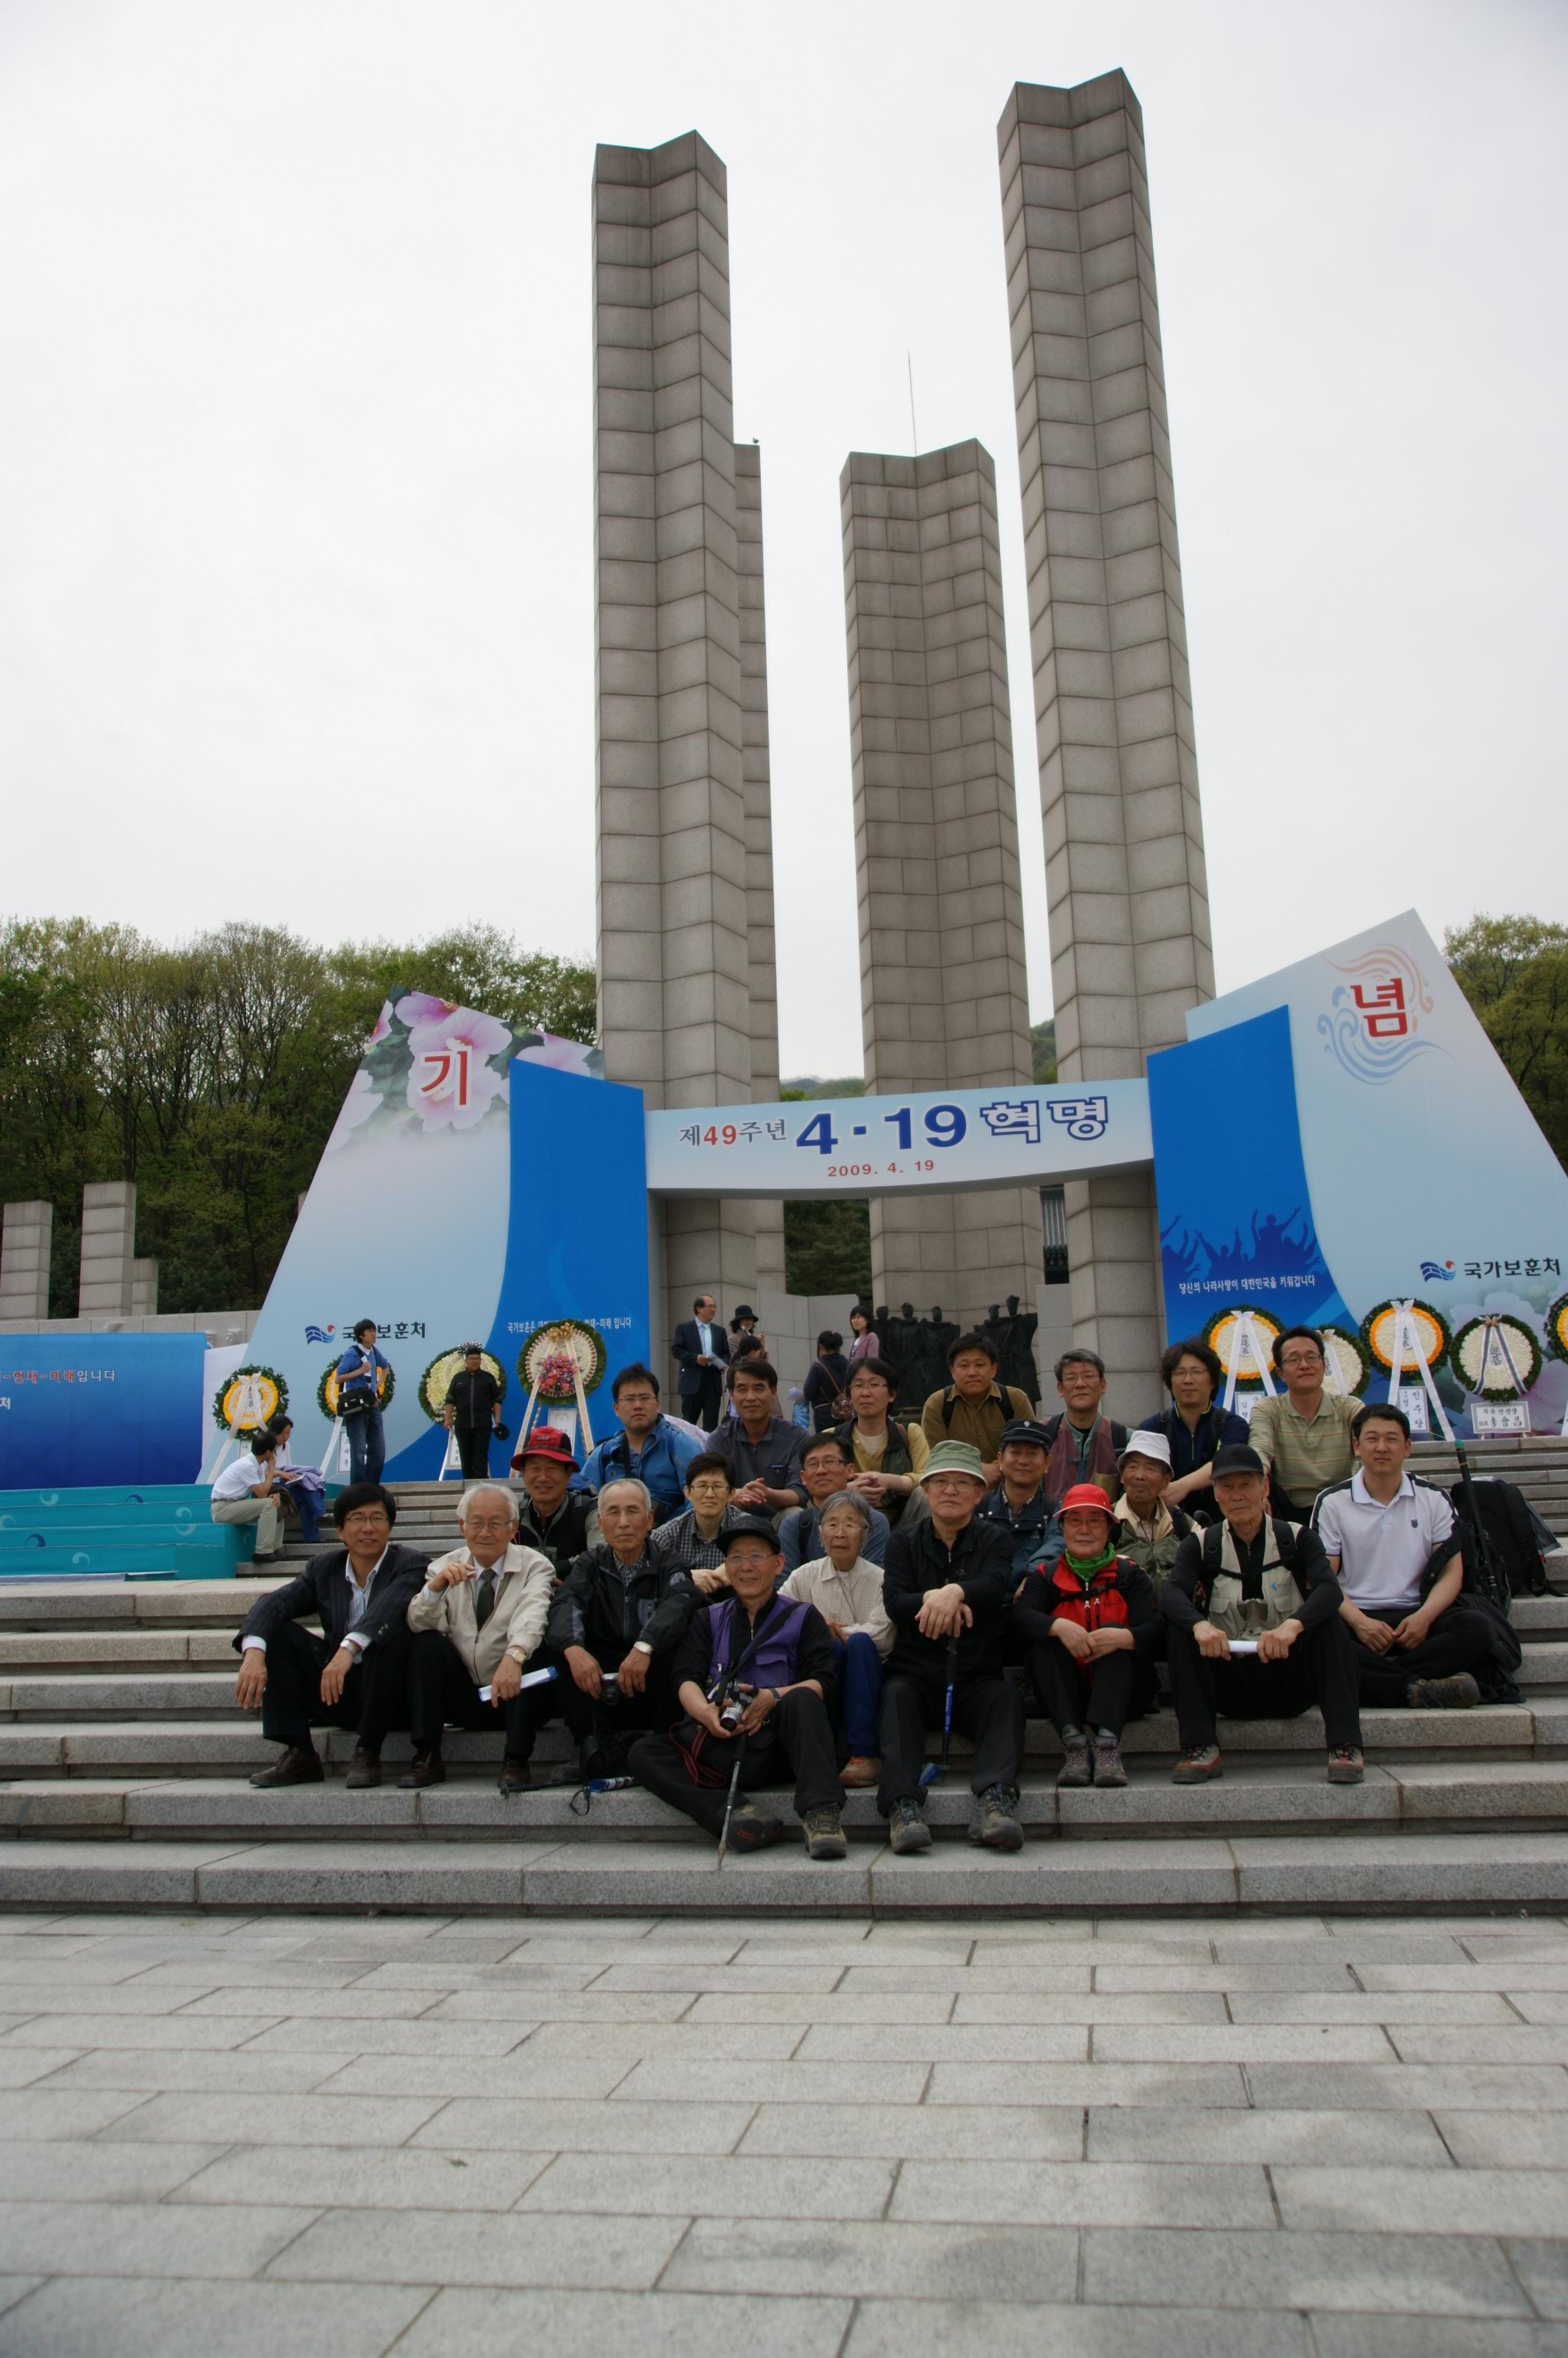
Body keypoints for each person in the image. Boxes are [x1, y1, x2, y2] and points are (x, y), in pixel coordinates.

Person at [627, 1516, 848, 1860]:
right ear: (726, 1566)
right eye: (736, 1557)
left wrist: (772, 1698)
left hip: (780, 1747)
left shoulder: (804, 1617)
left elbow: (823, 1681)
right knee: (643, 1753)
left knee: (804, 1698)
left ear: (778, 1564)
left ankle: (822, 1816)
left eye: (756, 1556)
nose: (746, 1567)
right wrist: (705, 1712)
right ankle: (735, 1815)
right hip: (722, 1743)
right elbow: (685, 1677)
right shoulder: (707, 1618)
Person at [1160, 1441, 1364, 1786]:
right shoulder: (1200, 1545)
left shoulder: (1298, 1538)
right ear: (1216, 1494)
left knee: (1329, 1622)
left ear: (1265, 1487)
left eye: (1246, 1484)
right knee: (1181, 1631)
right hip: (1230, 1681)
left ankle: (1345, 1745)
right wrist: (1200, 1627)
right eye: (1227, 1486)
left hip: (1289, 1678)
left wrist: (1292, 1627)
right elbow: (1172, 1593)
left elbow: (1329, 1590)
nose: (1237, 1495)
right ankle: (1199, 1747)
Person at [877, 1440, 1026, 1854]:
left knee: (1006, 1699)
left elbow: (995, 1586)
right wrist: (935, 1599)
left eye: (962, 1483)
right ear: (925, 1491)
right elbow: (895, 1602)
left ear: (979, 1494)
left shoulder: (996, 1539)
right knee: (895, 1697)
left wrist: (956, 1591)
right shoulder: (902, 1542)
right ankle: (903, 1806)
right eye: (940, 1482)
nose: (950, 1490)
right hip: (916, 1674)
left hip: (975, 1675)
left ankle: (996, 1800)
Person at [232, 1482, 428, 1788]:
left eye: (377, 1518)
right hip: (337, 1692)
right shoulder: (324, 1568)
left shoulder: (410, 1564)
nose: (368, 1528)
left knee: (388, 1637)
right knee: (277, 1631)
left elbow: (386, 1611)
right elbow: (272, 1603)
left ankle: (368, 1750)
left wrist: (348, 1649)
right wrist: (254, 1652)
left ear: (389, 1527)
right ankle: (301, 1754)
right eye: (357, 1519)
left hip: (392, 1697)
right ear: (340, 1531)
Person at [508, 1478, 698, 1778]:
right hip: (601, 1682)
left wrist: (645, 1646)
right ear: (600, 1522)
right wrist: (574, 1649)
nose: (623, 1522)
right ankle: (590, 1746)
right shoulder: (589, 1563)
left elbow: (680, 1603)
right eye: (613, 1512)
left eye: (632, 1511)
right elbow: (566, 1602)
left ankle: (665, 1744)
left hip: (651, 1680)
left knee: (681, 1640)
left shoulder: (670, 1563)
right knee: (557, 1648)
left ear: (649, 1519)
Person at [1313, 1402, 1492, 1710]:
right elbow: (1323, 1577)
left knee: (1477, 1629)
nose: (1381, 1447)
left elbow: (1452, 1572)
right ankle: (1414, 1689)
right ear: (1357, 1446)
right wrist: (1359, 1622)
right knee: (1316, 1637)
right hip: (1357, 1615)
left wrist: (1425, 1617)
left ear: (1407, 1447)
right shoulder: (1333, 1502)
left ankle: (1376, 1679)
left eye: (1392, 1439)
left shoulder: (1433, 1498)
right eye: (1372, 1439)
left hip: (1416, 1613)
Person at [402, 1482, 556, 1793]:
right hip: (465, 1695)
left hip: (516, 1694)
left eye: (496, 1523)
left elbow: (533, 1613)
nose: (485, 1532)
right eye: (476, 1523)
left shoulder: (535, 1565)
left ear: (513, 1528)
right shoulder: (442, 1567)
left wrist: (514, 1656)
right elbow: (419, 1623)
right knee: (425, 1644)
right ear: (463, 1526)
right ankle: (427, 1755)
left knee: (532, 1647)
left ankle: (516, 1759)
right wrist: (435, 1590)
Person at [1013, 1483, 1158, 1788]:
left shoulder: (1130, 1575)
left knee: (1117, 1635)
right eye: (1075, 1520)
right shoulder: (1045, 1576)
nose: (1084, 1529)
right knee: (1046, 1640)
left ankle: (1108, 1745)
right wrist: (1058, 1626)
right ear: (1062, 1528)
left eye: (1094, 1521)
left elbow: (1156, 1628)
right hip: (1067, 1694)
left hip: (1126, 1694)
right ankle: (1074, 1744)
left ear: (1108, 1528)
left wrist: (1124, 1638)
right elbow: (1022, 1617)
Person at [780, 1488, 893, 1790]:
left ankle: (864, 1754)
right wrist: (819, 1629)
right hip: (821, 1675)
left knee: (858, 1644)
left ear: (865, 1534)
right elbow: (779, 1620)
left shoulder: (881, 1580)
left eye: (850, 1524)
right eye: (831, 1524)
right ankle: (823, 1752)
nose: (840, 1533)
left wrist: (834, 1632)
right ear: (821, 1533)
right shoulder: (803, 1576)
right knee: (832, 1649)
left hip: (867, 1678)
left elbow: (883, 1635)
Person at [1246, 1326, 1360, 1520]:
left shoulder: (1348, 1408)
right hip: (1285, 1510)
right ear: (1281, 1373)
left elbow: (1370, 1441)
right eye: (1294, 1359)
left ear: (1323, 1365)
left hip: (1339, 1508)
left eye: (1311, 1357)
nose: (1304, 1365)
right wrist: (1258, 1490)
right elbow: (1259, 1450)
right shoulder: (1268, 1409)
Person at [572, 1364, 701, 1526]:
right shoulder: (604, 1454)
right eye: (629, 1399)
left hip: (674, 1538)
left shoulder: (680, 1445)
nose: (638, 1405)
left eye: (645, 1398)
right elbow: (586, 1505)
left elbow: (700, 1500)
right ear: (616, 1408)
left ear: (657, 1404)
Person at [1136, 1340, 1249, 1524]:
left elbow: (1229, 1462)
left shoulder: (1233, 1425)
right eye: (1179, 1373)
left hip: (1224, 1524)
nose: (1187, 1380)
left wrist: (1183, 1486)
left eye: (1196, 1372)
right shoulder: (1151, 1428)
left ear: (1213, 1381)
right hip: (1167, 1525)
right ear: (1170, 1382)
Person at [920, 1332, 1036, 1481]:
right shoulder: (937, 1404)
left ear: (993, 1369)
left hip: (1008, 1482)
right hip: (957, 1484)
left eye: (980, 1365)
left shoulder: (1015, 1399)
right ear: (952, 1371)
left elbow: (1028, 1447)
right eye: (964, 1366)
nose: (972, 1373)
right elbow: (937, 1456)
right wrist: (977, 1469)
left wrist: (998, 1468)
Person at [835, 1358, 930, 1526]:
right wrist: (847, 1490)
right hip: (849, 1522)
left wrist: (890, 1481)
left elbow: (927, 1476)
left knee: (924, 1494)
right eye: (858, 1385)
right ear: (849, 1396)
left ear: (891, 1394)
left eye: (874, 1384)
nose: (865, 1393)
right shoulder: (832, 1437)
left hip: (902, 1523)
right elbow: (816, 1486)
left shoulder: (909, 1433)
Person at [779, 1434, 891, 1571]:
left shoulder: (873, 1521)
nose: (821, 1470)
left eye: (830, 1461)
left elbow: (873, 1578)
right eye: (813, 1464)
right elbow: (785, 1581)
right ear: (803, 1477)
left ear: (849, 1470)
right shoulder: (794, 1525)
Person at [709, 1359, 808, 1512]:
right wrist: (738, 1495)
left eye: (759, 1388)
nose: (751, 1397)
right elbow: (711, 1488)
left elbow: (799, 1492)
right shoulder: (720, 1439)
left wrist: (765, 1494)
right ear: (732, 1395)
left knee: (795, 1513)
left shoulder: (796, 1438)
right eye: (742, 1389)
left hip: (779, 1519)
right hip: (733, 1519)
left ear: (773, 1393)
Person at [975, 1418, 1060, 1588]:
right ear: (1000, 1460)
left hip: (1034, 1595)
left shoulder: (1055, 1511)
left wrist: (1034, 1576)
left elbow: (1057, 1545)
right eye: (1015, 1452)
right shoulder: (978, 1506)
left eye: (1032, 1454)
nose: (1023, 1461)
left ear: (1047, 1463)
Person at [1039, 1349, 1128, 1502]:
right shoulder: (1042, 1435)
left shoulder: (1123, 1439)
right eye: (1071, 1378)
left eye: (1088, 1376)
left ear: (1102, 1385)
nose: (1080, 1384)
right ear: (1060, 1388)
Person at [650, 1453, 747, 1591]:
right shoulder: (667, 1534)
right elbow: (647, 1575)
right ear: (688, 1492)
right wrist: (687, 1576)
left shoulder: (746, 1528)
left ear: (731, 1493)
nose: (709, 1494)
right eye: (701, 1486)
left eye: (718, 1486)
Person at [1112, 1429, 1193, 1591]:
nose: (1139, 1476)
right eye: (1132, 1467)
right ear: (1122, 1476)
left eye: (1150, 1469)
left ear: (1165, 1481)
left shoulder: (1183, 1524)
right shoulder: (1107, 1522)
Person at [509, 1426, 593, 1568]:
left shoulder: (588, 1511)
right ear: (523, 1472)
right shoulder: (512, 1517)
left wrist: (560, 1571)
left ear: (569, 1473)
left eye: (552, 1468)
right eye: (535, 1469)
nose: (543, 1478)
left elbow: (601, 1555)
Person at [210, 1431, 286, 1562]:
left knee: (276, 1502)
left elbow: (263, 1491)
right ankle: (262, 1552)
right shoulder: (247, 1465)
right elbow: (262, 1494)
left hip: (233, 1505)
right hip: (222, 1508)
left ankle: (274, 1549)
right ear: (268, 1453)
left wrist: (274, 1495)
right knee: (268, 1504)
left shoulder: (258, 1466)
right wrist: (272, 1470)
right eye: (273, 1451)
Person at [334, 1319, 393, 1485]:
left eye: (374, 1330)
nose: (374, 1334)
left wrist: (376, 1385)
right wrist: (360, 1370)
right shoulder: (352, 1354)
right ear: (361, 1335)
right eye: (370, 1331)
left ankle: (371, 1486)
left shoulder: (374, 1350)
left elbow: (386, 1367)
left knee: (378, 1450)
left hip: (372, 1404)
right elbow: (339, 1378)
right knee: (359, 1451)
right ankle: (359, 1488)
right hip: (357, 1406)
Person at [442, 1344, 504, 1481]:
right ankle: (469, 1483)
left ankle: (481, 1481)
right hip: (462, 1424)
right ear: (466, 1361)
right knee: (466, 1455)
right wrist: (447, 1419)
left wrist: (497, 1418)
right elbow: (450, 1400)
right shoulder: (458, 1379)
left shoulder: (488, 1378)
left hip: (483, 1424)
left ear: (480, 1361)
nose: (474, 1361)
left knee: (481, 1454)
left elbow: (497, 1399)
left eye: (477, 1359)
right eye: (471, 1359)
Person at [670, 1294, 730, 1433]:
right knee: (688, 1424)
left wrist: (723, 1364)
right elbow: (676, 1350)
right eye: (710, 1306)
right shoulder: (684, 1328)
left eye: (714, 1306)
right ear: (699, 1308)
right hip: (692, 1381)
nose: (713, 1309)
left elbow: (726, 1353)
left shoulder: (720, 1331)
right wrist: (695, 1358)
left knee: (711, 1426)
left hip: (713, 1381)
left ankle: (709, 1447)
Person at [263, 1416, 324, 1546]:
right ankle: (318, 1515)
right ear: (273, 1432)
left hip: (286, 1482)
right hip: (272, 1485)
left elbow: (289, 1466)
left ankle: (312, 1536)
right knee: (304, 1497)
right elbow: (261, 1474)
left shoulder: (286, 1446)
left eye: (288, 1433)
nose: (285, 1437)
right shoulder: (265, 1447)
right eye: (282, 1433)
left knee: (308, 1482)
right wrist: (281, 1473)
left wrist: (295, 1475)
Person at [803, 1330, 849, 1432]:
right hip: (846, 1414)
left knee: (824, 1441)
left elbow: (808, 1394)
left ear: (821, 1347)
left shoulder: (818, 1366)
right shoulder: (848, 1365)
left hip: (824, 1415)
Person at [846, 1303, 879, 1370]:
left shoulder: (871, 1336)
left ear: (867, 1320)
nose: (855, 1321)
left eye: (858, 1317)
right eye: (853, 1318)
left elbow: (872, 1360)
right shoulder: (855, 1339)